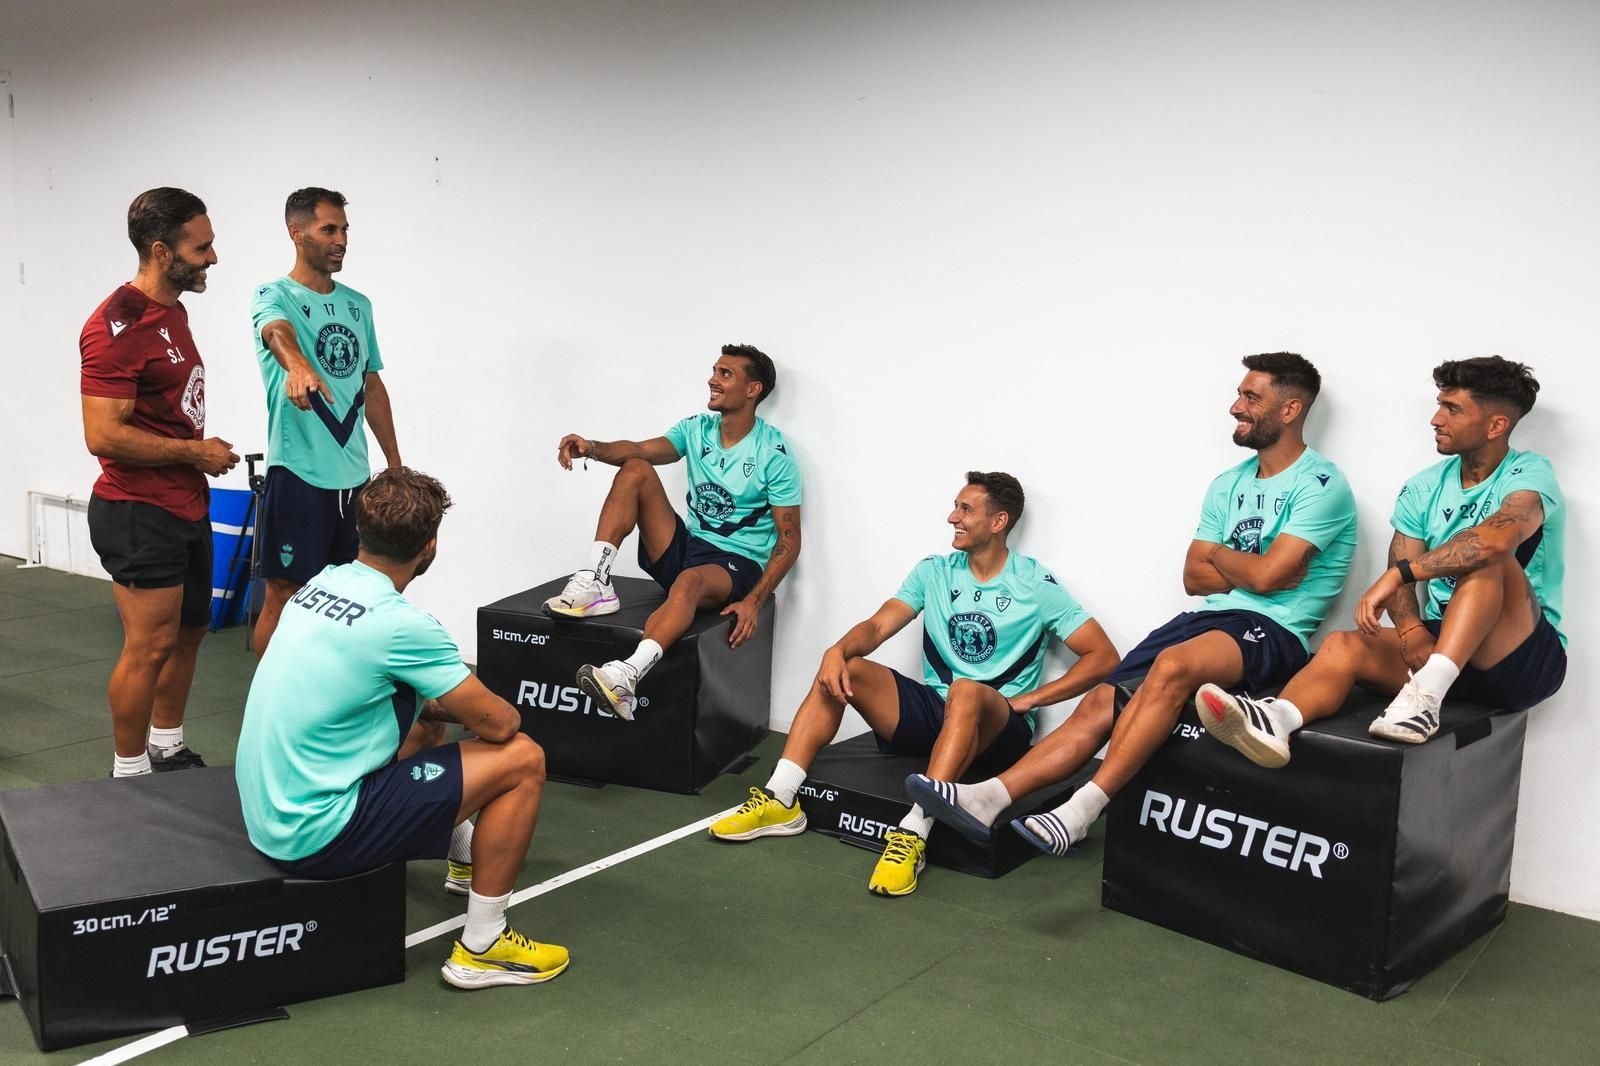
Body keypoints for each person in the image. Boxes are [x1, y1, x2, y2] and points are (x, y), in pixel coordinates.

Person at [910, 354, 1356, 855]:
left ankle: (1080, 812)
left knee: (1173, 665)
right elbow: (1194, 576)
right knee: (1103, 698)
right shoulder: (1227, 484)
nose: (1236, 407)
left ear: (1291, 408)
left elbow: (1271, 578)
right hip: (1204, 616)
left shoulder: (1323, 483)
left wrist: (1231, 560)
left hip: (1273, 628)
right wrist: (1254, 567)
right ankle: (990, 798)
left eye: (1251, 397)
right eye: (1239, 395)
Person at [709, 472, 1119, 896]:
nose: (951, 518)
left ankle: (914, 834)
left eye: (965, 509)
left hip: (998, 729)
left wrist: (1030, 699)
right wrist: (837, 649)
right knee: (844, 665)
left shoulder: (1034, 584)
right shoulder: (935, 572)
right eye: (954, 507)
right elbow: (878, 624)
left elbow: (1103, 656)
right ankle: (781, 797)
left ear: (998, 522)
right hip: (939, 714)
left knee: (966, 691)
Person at [235, 467, 568, 989]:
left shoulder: (320, 583)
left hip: (267, 814)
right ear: (429, 546)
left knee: (417, 707)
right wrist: (459, 703)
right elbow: (500, 723)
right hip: (315, 837)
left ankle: (462, 856)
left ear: (358, 530)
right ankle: (484, 944)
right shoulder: (403, 625)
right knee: (523, 758)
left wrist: (429, 702)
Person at [1197, 356, 1564, 763]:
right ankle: (1276, 719)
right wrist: (1409, 631)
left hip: (1518, 656)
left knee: (1484, 556)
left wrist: (1398, 576)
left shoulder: (1530, 474)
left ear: (1496, 425)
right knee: (1342, 645)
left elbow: (1495, 539)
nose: (1435, 419)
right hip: (1446, 645)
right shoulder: (1424, 487)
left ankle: (1425, 696)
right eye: (1439, 404)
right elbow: (1400, 562)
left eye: (1452, 409)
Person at [546, 345, 802, 719]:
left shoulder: (773, 453)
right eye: (714, 371)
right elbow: (638, 449)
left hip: (735, 564)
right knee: (636, 468)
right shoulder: (696, 429)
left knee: (688, 583)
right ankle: (596, 578)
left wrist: (755, 601)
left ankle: (626, 676)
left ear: (753, 390)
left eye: (725, 374)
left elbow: (790, 541)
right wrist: (593, 448)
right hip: (690, 547)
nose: (712, 379)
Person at [80, 187, 239, 777]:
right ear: (160, 250)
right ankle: (128, 771)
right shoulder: (114, 328)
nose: (213, 258)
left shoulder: (172, 310)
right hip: (137, 510)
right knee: (148, 647)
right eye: (202, 247)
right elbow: (104, 435)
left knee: (191, 631)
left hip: (185, 503)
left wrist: (192, 459)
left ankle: (166, 746)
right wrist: (195, 451)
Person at [250, 187, 402, 655]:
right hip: (298, 476)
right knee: (285, 596)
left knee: (353, 599)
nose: (341, 240)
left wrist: (394, 464)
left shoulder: (360, 305)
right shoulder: (273, 295)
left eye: (345, 230)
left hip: (354, 480)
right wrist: (296, 366)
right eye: (328, 229)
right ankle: (271, 706)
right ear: (297, 233)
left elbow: (370, 385)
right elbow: (276, 331)